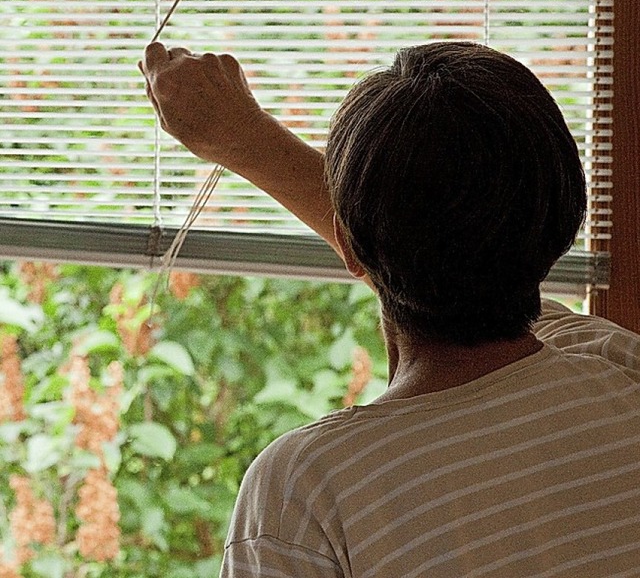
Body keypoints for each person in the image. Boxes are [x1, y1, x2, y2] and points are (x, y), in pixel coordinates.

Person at [141, 41, 640, 577]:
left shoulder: (305, 493)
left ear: (347, 246)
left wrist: (243, 137)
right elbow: (463, 252)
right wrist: (245, 137)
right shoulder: (619, 366)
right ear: (562, 223)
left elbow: (427, 248)